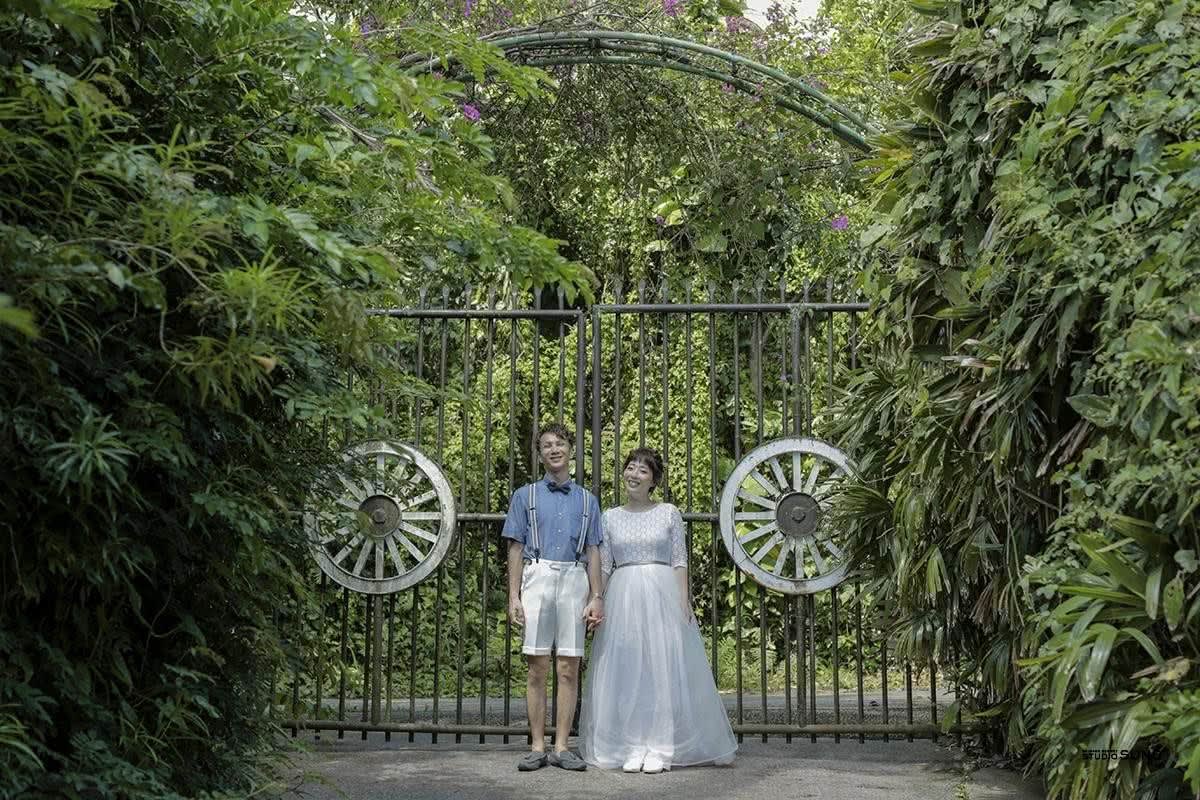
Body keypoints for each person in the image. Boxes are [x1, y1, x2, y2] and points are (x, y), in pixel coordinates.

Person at [579, 447, 737, 773]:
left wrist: (683, 601)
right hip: (623, 597)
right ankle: (632, 745)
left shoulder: (668, 513)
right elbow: (605, 566)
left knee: (662, 671)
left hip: (662, 596)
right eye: (631, 467)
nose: (634, 474)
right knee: (627, 671)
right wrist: (596, 598)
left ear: (653, 480)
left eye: (643, 470)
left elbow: (679, 560)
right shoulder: (610, 517)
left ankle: (661, 747)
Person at [503, 423, 604, 772]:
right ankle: (537, 746)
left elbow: (593, 551)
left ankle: (562, 746)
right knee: (537, 665)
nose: (554, 449)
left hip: (575, 578)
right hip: (537, 575)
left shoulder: (588, 500)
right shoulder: (525, 496)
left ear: (571, 450)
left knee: (568, 666)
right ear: (540, 454)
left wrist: (596, 596)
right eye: (547, 445)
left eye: (560, 443)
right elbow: (515, 548)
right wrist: (513, 596)